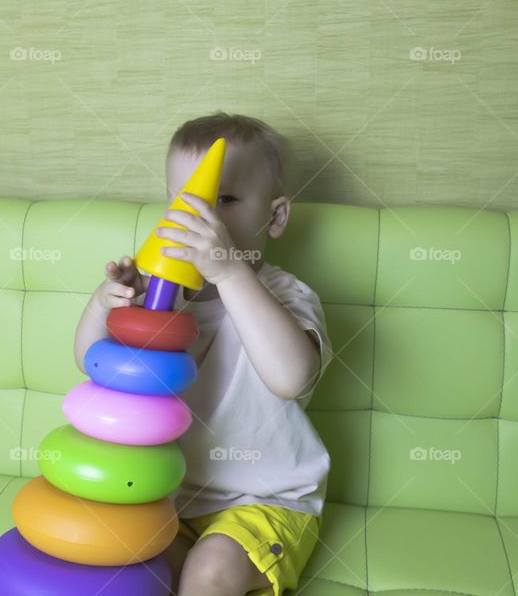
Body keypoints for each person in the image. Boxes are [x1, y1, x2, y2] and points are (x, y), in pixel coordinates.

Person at [74, 112, 333, 596]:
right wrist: (105, 306)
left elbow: (291, 377)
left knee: (209, 572)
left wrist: (231, 273)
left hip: (266, 501)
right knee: (128, 563)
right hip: (170, 499)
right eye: (184, 202)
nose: (201, 220)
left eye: (225, 200)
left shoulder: (286, 296)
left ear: (274, 217)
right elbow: (94, 363)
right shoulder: (161, 298)